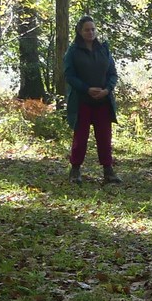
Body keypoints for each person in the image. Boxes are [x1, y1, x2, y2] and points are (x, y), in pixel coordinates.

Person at [63, 15, 120, 184]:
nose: (91, 32)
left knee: (104, 136)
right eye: (87, 30)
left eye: (93, 29)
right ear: (80, 32)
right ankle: (75, 171)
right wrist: (86, 89)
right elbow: (69, 75)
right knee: (80, 137)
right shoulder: (73, 52)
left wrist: (107, 90)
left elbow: (113, 74)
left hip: (103, 100)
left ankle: (108, 171)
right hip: (82, 101)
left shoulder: (104, 49)